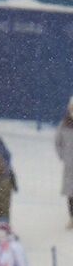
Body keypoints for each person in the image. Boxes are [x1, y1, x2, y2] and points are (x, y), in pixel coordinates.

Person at [58, 97, 73, 229]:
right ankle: (72, 217)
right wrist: (63, 156)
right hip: (70, 165)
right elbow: (58, 142)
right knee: (70, 193)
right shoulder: (65, 124)